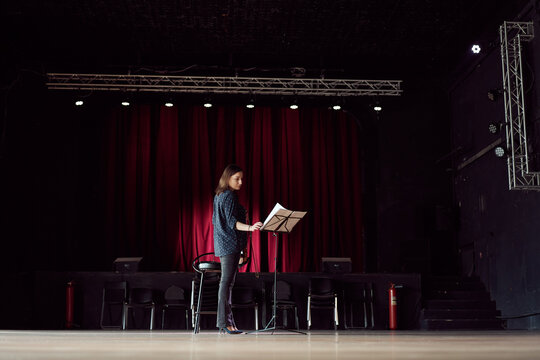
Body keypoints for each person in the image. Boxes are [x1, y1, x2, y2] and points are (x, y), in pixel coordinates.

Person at [212, 164, 263, 334]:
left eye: (242, 178)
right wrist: (251, 228)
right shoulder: (228, 196)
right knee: (226, 284)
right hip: (229, 245)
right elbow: (232, 222)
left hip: (225, 244)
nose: (241, 182)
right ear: (227, 179)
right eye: (237, 178)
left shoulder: (220, 195)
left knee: (227, 284)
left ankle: (228, 323)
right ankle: (224, 323)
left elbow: (216, 221)